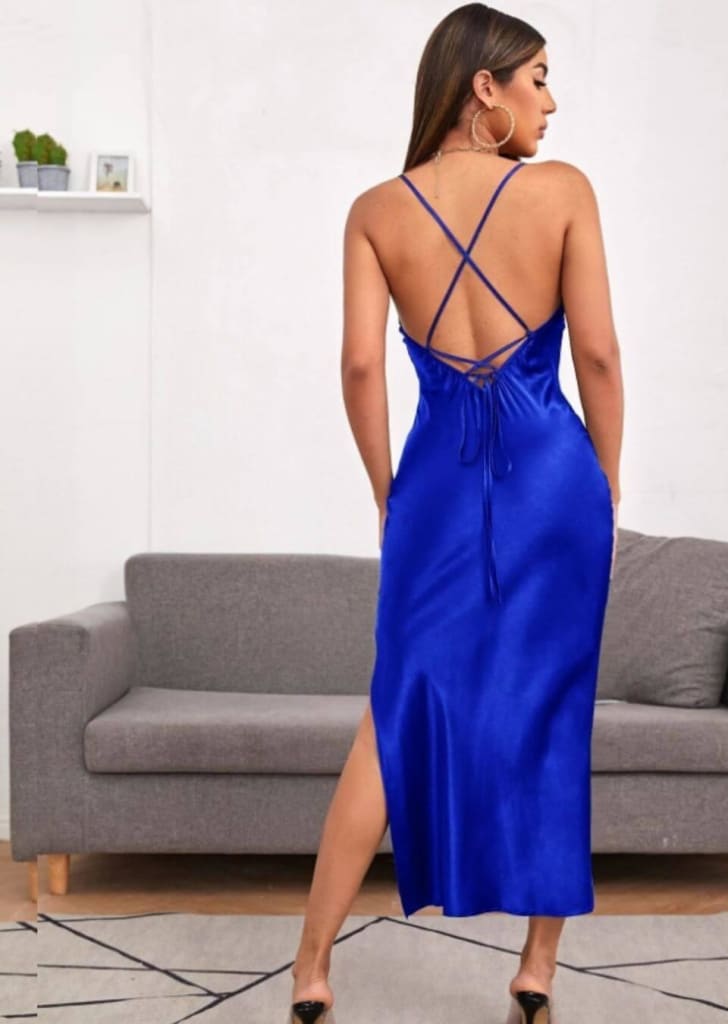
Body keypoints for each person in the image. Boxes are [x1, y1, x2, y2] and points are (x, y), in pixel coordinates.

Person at [289, 4, 623, 1023]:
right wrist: (604, 485)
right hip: (554, 482)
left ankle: (310, 971)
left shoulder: (374, 211)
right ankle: (535, 970)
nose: (550, 102)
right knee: (554, 711)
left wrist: (387, 492)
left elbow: (359, 366)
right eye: (538, 78)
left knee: (393, 714)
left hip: (433, 485)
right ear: (485, 86)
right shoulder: (562, 193)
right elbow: (598, 354)